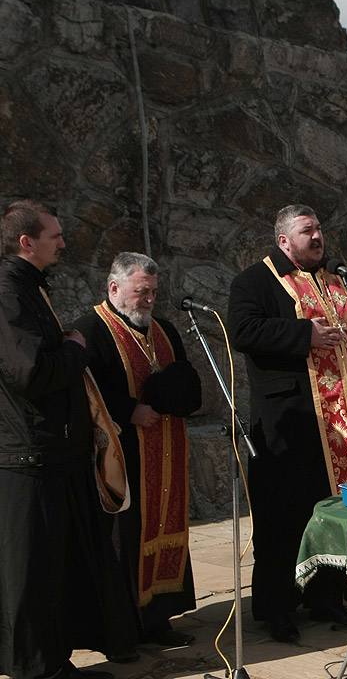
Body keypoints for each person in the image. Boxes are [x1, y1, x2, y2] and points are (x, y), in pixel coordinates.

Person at [0, 200, 137, 679]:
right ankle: (36, 669)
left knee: (57, 569)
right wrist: (77, 348)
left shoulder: (30, 288)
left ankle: (54, 662)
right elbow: (31, 372)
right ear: (26, 242)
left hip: (53, 451)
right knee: (32, 572)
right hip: (30, 454)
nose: (62, 242)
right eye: (54, 236)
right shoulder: (9, 293)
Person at [228, 204, 347, 642]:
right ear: (283, 241)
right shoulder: (254, 281)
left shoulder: (338, 280)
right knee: (284, 517)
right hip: (288, 423)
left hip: (339, 424)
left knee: (331, 510)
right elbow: (244, 332)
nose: (317, 237)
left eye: (319, 229)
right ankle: (278, 607)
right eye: (306, 231)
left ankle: (328, 596)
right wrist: (302, 335)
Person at [72, 253, 202, 646]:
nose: (148, 300)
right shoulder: (88, 330)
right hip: (121, 454)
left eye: (153, 292)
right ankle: (123, 628)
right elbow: (84, 389)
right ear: (115, 287)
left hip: (166, 450)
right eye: (141, 291)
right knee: (122, 542)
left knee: (166, 526)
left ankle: (157, 618)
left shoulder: (163, 329)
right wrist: (130, 411)